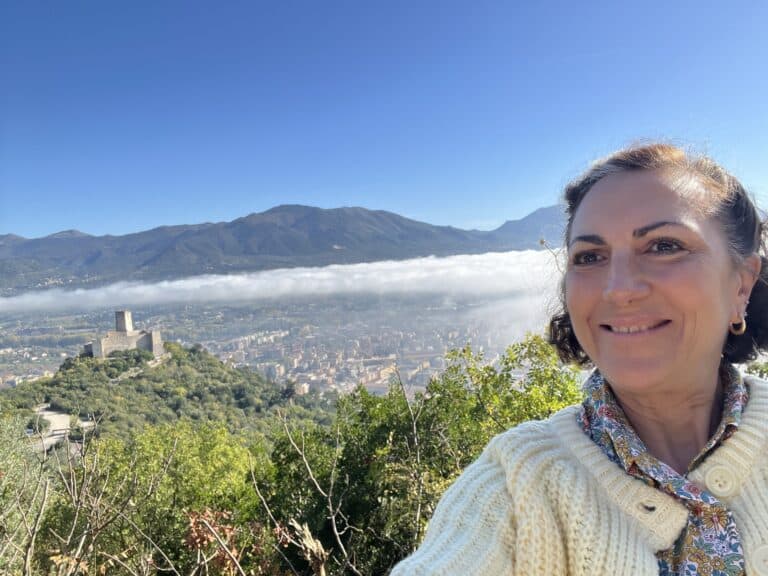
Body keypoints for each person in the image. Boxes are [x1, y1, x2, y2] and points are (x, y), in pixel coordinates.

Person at [390, 143, 768, 575]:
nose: (618, 289)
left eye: (664, 246)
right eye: (590, 257)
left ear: (741, 285)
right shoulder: (518, 485)